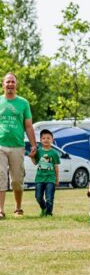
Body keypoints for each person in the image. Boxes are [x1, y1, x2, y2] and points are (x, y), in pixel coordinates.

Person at [0, 72, 37, 219]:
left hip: (17, 146)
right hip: (0, 145)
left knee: (16, 179)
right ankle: (1, 210)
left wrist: (34, 145)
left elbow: (28, 126)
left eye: (12, 82)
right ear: (3, 84)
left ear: (16, 85)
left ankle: (18, 208)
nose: (10, 84)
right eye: (7, 82)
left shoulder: (23, 103)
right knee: (0, 177)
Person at [31, 129, 60, 216]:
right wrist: (32, 157)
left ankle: (49, 213)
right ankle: (44, 208)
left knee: (49, 198)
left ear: (52, 140)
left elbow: (56, 167)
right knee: (38, 197)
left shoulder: (54, 153)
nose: (46, 140)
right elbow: (35, 163)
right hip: (39, 178)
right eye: (43, 138)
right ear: (40, 140)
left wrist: (57, 179)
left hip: (50, 178)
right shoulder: (39, 151)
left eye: (48, 138)